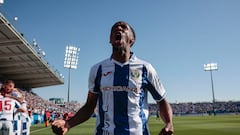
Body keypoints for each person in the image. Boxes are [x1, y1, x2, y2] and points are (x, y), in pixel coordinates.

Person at [52, 21, 174, 135]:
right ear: (110, 40)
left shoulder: (146, 68)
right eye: (114, 29)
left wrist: (169, 123)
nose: (118, 29)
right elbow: (89, 106)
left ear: (132, 40)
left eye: (124, 28)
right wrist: (68, 123)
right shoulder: (97, 69)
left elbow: (161, 100)